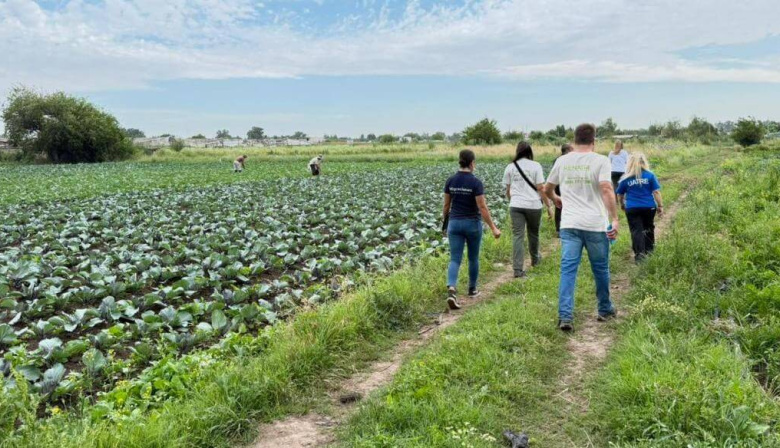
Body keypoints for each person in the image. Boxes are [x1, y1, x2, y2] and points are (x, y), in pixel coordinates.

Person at [544, 124, 620, 332]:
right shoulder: (601, 160)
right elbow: (605, 188)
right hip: (595, 224)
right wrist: (614, 218)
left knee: (568, 270)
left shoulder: (562, 161)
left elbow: (547, 188)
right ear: (593, 141)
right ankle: (604, 309)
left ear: (574, 140)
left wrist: (556, 198)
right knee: (600, 268)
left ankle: (565, 316)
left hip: (569, 224)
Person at [443, 149, 501, 310]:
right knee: (473, 258)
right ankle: (472, 289)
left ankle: (452, 289)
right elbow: (482, 207)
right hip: (472, 224)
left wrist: (445, 223)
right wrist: (493, 227)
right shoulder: (475, 182)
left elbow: (446, 205)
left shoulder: (451, 181)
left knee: (455, 259)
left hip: (454, 223)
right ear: (471, 163)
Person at [502, 142, 553, 278]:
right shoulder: (536, 166)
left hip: (516, 205)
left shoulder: (510, 167)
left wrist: (512, 201)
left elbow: (508, 190)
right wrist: (548, 206)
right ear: (530, 151)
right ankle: (535, 260)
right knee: (533, 233)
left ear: (517, 151)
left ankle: (518, 270)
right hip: (533, 205)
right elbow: (541, 188)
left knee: (518, 236)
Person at [616, 153, 663, 263]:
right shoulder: (650, 175)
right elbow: (656, 192)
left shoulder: (625, 178)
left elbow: (620, 194)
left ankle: (639, 256)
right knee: (648, 228)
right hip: (648, 207)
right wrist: (660, 206)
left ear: (630, 163)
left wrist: (622, 204)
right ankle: (649, 251)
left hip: (632, 208)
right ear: (644, 162)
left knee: (636, 231)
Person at [554, 144, 573, 237]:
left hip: (558, 185)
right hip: (568, 185)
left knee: (558, 207)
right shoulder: (571, 160)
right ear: (568, 150)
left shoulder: (557, 160)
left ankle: (558, 229)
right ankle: (568, 228)